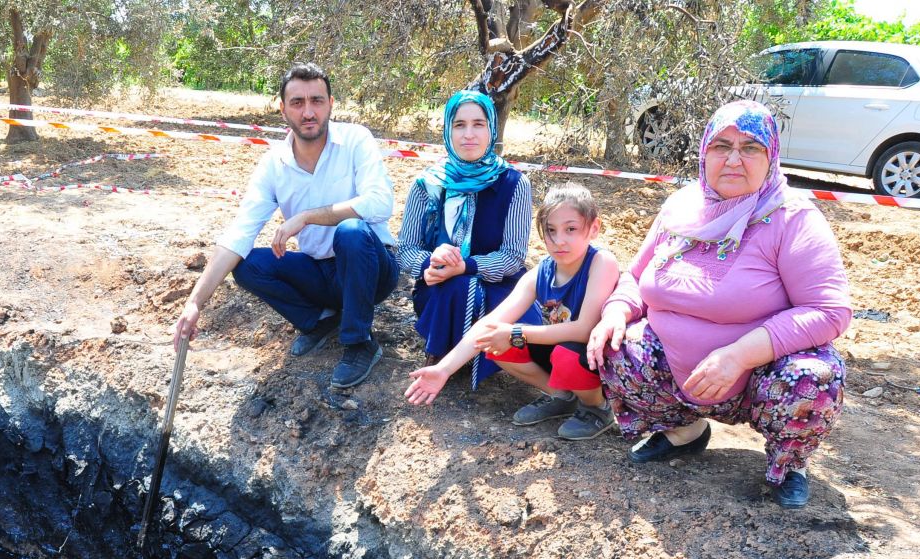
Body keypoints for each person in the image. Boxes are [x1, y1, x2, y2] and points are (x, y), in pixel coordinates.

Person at [586, 100, 850, 508]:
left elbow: (829, 311)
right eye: (721, 146)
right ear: (704, 151)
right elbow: (637, 277)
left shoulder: (792, 218)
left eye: (750, 148)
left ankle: (789, 463)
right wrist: (617, 311)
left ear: (771, 156)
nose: (733, 159)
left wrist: (739, 355)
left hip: (759, 376)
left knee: (815, 376)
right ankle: (682, 433)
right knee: (615, 344)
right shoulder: (681, 206)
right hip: (677, 371)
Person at [171, 63, 399, 389]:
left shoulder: (356, 140)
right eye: (297, 102)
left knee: (351, 231)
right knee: (248, 263)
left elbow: (380, 204)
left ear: (331, 104)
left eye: (317, 101)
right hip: (321, 273)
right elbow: (240, 232)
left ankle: (360, 342)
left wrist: (308, 216)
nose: (309, 112)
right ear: (283, 109)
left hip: (372, 268)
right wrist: (194, 302)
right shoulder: (274, 163)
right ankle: (322, 321)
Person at [405, 183, 621, 441]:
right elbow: (488, 324)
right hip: (559, 351)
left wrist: (515, 332)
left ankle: (596, 408)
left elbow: (584, 329)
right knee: (492, 341)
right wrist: (444, 369)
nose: (559, 240)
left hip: (593, 357)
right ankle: (562, 396)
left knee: (563, 353)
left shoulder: (601, 262)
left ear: (593, 228)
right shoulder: (542, 271)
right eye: (550, 231)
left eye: (571, 229)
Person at [396, 89, 533, 390]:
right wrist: (429, 264)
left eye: (478, 124)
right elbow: (405, 249)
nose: (468, 134)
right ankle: (448, 351)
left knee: (466, 284)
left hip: (499, 290)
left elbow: (512, 257)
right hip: (440, 290)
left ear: (491, 129)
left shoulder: (514, 184)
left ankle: (458, 355)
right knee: (456, 285)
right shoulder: (428, 184)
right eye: (459, 125)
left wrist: (467, 266)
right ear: (447, 129)